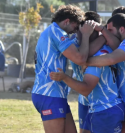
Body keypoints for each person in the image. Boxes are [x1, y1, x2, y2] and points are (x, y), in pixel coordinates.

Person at [31, 5, 96, 133]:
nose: (76, 31)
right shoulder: (57, 32)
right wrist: (86, 35)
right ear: (67, 21)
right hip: (49, 93)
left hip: (55, 93)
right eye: (76, 27)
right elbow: (80, 58)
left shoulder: (53, 31)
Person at [50, 24, 124, 133]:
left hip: (105, 107)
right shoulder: (79, 46)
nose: (75, 35)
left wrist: (64, 78)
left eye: (78, 32)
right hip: (93, 104)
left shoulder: (98, 58)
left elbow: (86, 89)